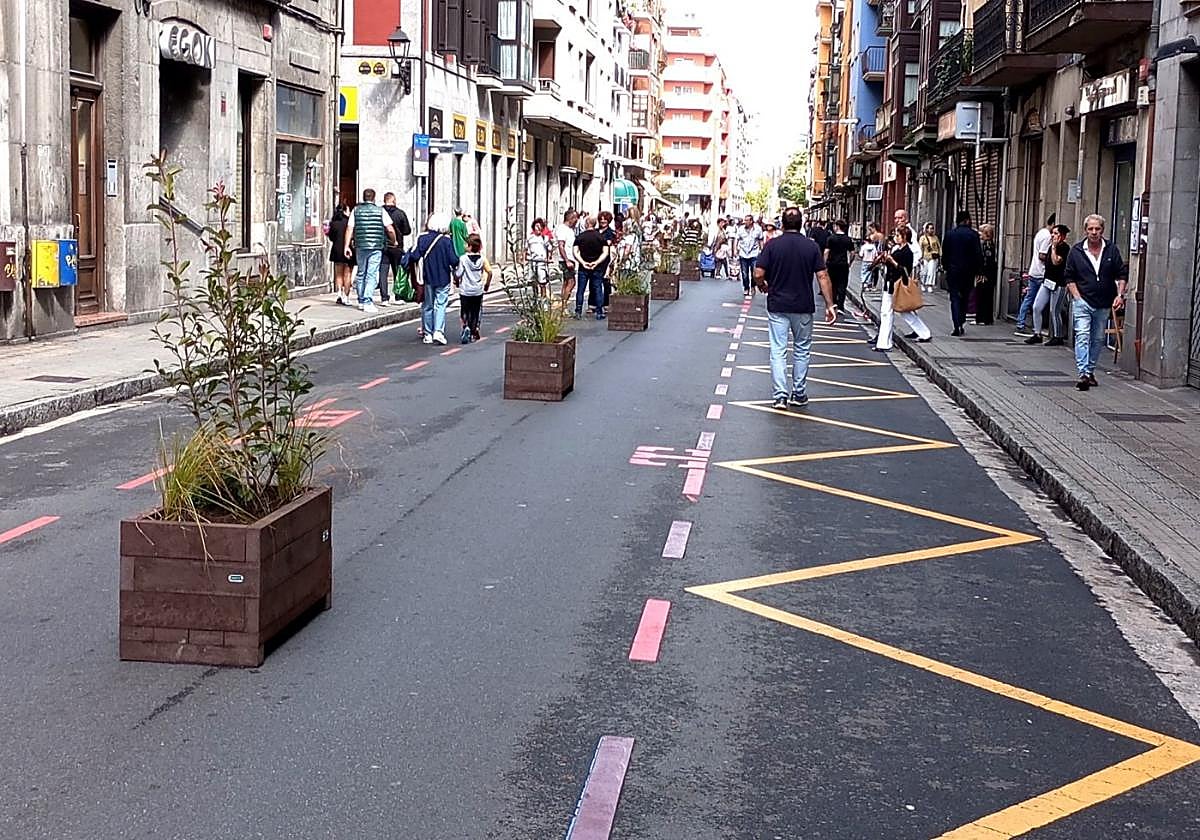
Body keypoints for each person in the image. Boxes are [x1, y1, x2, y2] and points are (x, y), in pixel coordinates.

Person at [754, 207, 838, 410]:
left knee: (778, 350)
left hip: (777, 305)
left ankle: (780, 395)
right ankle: (798, 393)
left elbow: (758, 273)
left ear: (782, 224)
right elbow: (823, 276)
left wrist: (763, 285)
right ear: (801, 224)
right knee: (801, 349)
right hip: (803, 306)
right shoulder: (811, 247)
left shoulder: (772, 245)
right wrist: (830, 305)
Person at [1064, 214, 1127, 391]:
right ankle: (1083, 373)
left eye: (1097, 229)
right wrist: (1077, 297)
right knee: (1082, 335)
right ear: (1085, 230)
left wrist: (1119, 295)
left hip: (1104, 303)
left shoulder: (1111, 250)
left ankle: (1090, 370)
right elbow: (1069, 277)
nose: (1094, 232)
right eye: (1090, 229)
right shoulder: (1076, 251)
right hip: (1083, 301)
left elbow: (1121, 274)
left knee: (1098, 338)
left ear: (1102, 230)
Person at [872, 226, 932, 351]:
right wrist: (883, 260)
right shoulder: (897, 249)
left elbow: (904, 270)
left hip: (898, 284)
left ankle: (884, 343)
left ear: (904, 237)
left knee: (888, 313)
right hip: (890, 283)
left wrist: (891, 260)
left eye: (898, 235)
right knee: (899, 312)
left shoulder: (907, 252)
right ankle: (924, 333)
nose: (895, 237)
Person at [406, 213, 459, 345]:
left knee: (427, 305)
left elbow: (415, 255)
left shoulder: (422, 239)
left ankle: (428, 333)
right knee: (440, 305)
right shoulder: (446, 241)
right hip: (443, 277)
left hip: (427, 276)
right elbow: (454, 260)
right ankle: (438, 332)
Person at [344, 188, 397, 315]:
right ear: (374, 198)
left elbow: (349, 228)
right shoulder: (380, 211)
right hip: (376, 246)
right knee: (371, 274)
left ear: (364, 197)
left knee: (361, 272)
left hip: (360, 245)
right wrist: (393, 241)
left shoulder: (356, 210)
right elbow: (390, 229)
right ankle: (368, 301)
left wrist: (346, 246)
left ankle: (361, 300)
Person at [1027, 223, 1071, 346]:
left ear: (1062, 236)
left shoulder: (1064, 248)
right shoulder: (1050, 246)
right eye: (1052, 232)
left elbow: (1056, 261)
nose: (1052, 235)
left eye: (1056, 233)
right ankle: (1037, 333)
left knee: (1054, 310)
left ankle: (1058, 336)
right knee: (1037, 306)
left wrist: (1054, 248)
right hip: (1047, 281)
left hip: (1059, 283)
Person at [941, 211, 983, 336]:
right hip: (968, 272)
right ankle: (961, 320)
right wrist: (979, 271)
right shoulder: (973, 235)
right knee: (965, 297)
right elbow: (978, 254)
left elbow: (945, 253)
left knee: (954, 298)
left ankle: (956, 325)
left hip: (953, 271)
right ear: (967, 220)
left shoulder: (949, 235)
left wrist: (945, 267)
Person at [1015, 214, 1055, 336]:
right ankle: (1036, 326)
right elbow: (1042, 255)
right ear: (1053, 224)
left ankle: (1021, 322)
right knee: (1039, 301)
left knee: (1030, 298)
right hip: (1041, 273)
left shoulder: (1041, 232)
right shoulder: (1048, 236)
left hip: (1034, 271)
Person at [454, 233, 492, 343]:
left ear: (470, 246)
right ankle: (474, 328)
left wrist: (456, 281)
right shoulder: (482, 259)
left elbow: (459, 273)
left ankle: (465, 326)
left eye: (466, 244)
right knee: (476, 311)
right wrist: (487, 285)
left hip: (465, 290)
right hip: (477, 290)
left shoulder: (463, 259)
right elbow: (490, 272)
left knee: (465, 311)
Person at [380, 192, 413, 307]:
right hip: (396, 246)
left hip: (383, 246)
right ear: (394, 201)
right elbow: (407, 230)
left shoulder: (380, 212)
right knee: (397, 271)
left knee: (383, 272)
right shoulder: (400, 213)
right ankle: (398, 296)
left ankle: (384, 297)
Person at [573, 216, 610, 320]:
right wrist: (596, 262)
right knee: (598, 288)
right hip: (597, 267)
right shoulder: (601, 237)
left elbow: (575, 251)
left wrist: (583, 262)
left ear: (586, 224)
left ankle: (578, 311)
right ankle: (599, 311)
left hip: (583, 267)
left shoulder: (580, 237)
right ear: (595, 224)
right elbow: (605, 252)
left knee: (581, 289)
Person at [823, 219, 855, 313]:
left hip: (832, 264)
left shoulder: (831, 238)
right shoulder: (848, 239)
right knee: (842, 285)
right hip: (843, 264)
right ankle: (841, 306)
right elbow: (853, 253)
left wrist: (824, 263)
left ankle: (833, 303)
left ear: (837, 226)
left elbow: (826, 251)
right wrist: (850, 262)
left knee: (832, 284)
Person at [326, 204, 355, 306]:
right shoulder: (349, 222)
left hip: (336, 249)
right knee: (347, 274)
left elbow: (331, 237)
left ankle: (339, 294)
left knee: (338, 274)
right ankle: (346, 297)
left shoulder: (333, 223)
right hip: (348, 250)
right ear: (345, 211)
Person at [975, 224, 999, 325]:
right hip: (989, 275)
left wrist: (981, 273)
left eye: (981, 234)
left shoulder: (986, 245)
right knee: (986, 296)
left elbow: (986, 261)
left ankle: (982, 318)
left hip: (985, 275)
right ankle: (986, 318)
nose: (980, 236)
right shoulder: (991, 244)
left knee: (983, 296)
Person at [555, 210, 579, 309]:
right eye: (575, 218)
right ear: (570, 218)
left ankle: (564, 305)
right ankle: (564, 305)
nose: (577, 220)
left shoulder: (569, 229)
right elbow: (561, 246)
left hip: (570, 258)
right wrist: (567, 260)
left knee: (567, 282)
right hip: (566, 260)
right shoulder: (562, 229)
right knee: (571, 282)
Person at [736, 215, 764, 296]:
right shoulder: (741, 229)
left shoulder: (758, 229)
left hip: (754, 253)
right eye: (745, 220)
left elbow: (761, 240)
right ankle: (746, 288)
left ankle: (752, 286)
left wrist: (762, 251)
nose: (745, 222)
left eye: (747, 220)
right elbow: (737, 239)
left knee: (754, 273)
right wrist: (735, 249)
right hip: (743, 253)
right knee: (744, 273)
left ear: (751, 221)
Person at [527, 218, 551, 299]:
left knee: (542, 282)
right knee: (533, 282)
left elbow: (550, 249)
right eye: (537, 226)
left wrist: (548, 258)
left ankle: (544, 301)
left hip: (541, 262)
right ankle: (535, 298)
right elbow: (526, 249)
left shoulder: (545, 238)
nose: (538, 228)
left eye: (540, 226)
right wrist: (523, 259)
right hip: (532, 262)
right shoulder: (530, 238)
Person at [918, 222, 942, 293]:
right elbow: (920, 247)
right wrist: (920, 257)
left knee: (931, 271)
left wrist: (940, 255)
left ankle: (930, 285)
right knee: (924, 271)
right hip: (925, 257)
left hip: (933, 256)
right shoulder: (922, 238)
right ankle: (922, 284)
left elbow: (939, 247)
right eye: (930, 228)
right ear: (926, 229)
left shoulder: (935, 238)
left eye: (932, 228)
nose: (931, 230)